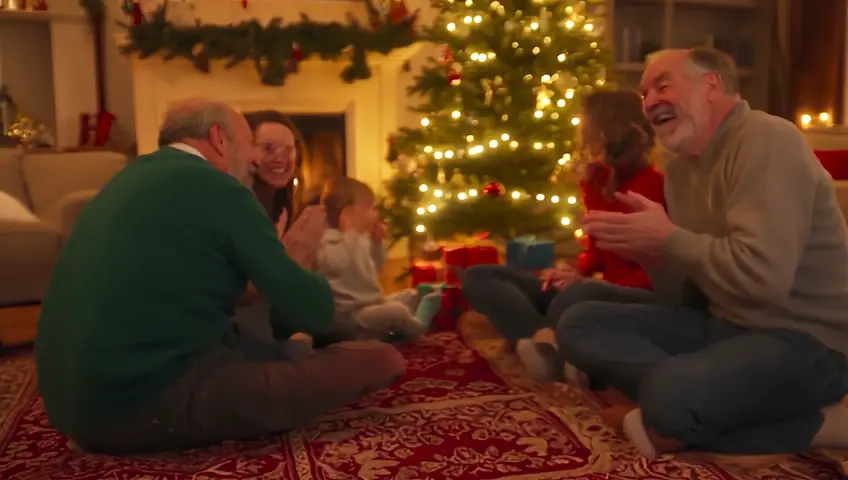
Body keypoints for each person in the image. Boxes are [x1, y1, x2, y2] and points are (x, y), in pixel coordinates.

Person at [35, 99, 405, 454]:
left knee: (256, 339)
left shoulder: (128, 178)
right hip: (140, 402)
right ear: (219, 138)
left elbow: (192, 289)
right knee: (381, 358)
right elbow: (311, 314)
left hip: (72, 403)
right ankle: (287, 361)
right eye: (251, 145)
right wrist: (298, 259)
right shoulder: (221, 187)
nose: (257, 160)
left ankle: (282, 356)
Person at [558, 47, 848, 458]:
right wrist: (651, 253)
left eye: (662, 85)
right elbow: (686, 297)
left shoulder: (768, 141)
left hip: (805, 342)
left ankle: (818, 425)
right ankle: (700, 407)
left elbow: (764, 279)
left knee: (671, 393)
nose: (649, 101)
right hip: (725, 326)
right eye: (644, 94)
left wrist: (668, 240)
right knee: (579, 321)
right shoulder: (679, 168)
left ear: (710, 85)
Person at [462, 89, 664, 383]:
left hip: (619, 297)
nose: (581, 132)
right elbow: (595, 255)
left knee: (572, 300)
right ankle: (546, 338)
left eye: (586, 125)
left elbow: (655, 275)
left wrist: (588, 282)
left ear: (607, 130)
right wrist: (574, 269)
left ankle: (546, 341)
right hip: (588, 290)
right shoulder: (597, 180)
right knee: (479, 277)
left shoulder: (651, 187)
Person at [315, 177, 442, 341]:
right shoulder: (327, 241)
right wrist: (350, 234)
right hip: (350, 317)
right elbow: (340, 264)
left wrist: (376, 243)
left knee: (409, 295)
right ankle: (418, 327)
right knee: (397, 311)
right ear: (348, 214)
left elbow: (375, 266)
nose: (375, 213)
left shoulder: (361, 238)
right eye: (369, 207)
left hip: (372, 303)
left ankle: (391, 330)